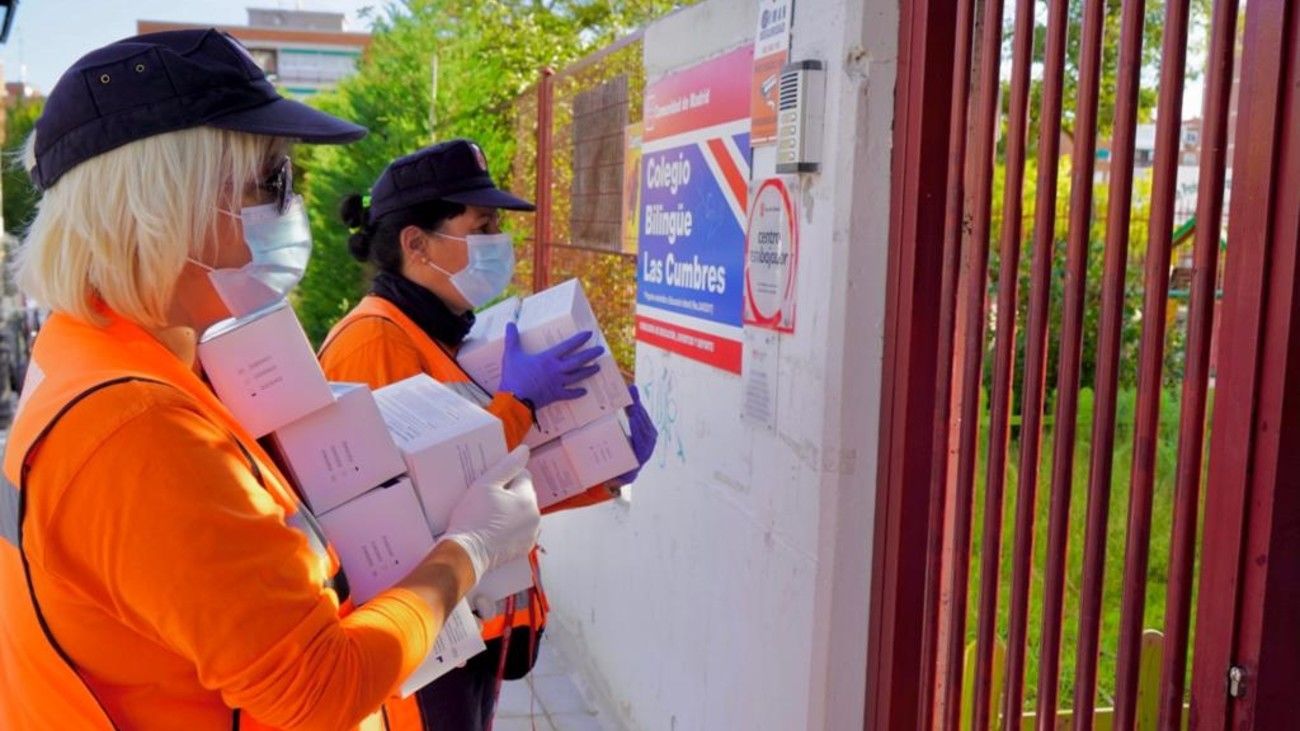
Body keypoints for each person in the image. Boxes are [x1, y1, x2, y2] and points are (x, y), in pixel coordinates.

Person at [0, 30, 541, 730]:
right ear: (172, 199)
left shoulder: (107, 356)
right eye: (272, 182)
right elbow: (316, 689)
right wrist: (468, 550)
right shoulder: (136, 425)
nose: (287, 212)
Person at [318, 139, 659, 730]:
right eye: (482, 225)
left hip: (460, 627)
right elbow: (421, 506)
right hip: (419, 644)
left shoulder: (439, 333)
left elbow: (493, 489)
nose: (499, 241)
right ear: (416, 244)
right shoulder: (374, 343)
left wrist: (600, 466)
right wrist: (519, 403)